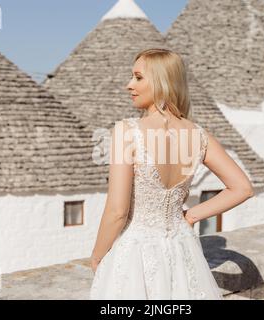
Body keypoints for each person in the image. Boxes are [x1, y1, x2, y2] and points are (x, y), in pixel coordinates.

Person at [89, 48, 254, 300]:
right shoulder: (198, 135)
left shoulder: (127, 132)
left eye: (138, 77)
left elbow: (117, 211)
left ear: (161, 82)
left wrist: (98, 256)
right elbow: (242, 187)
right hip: (181, 248)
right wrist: (191, 216)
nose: (128, 85)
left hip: (135, 253)